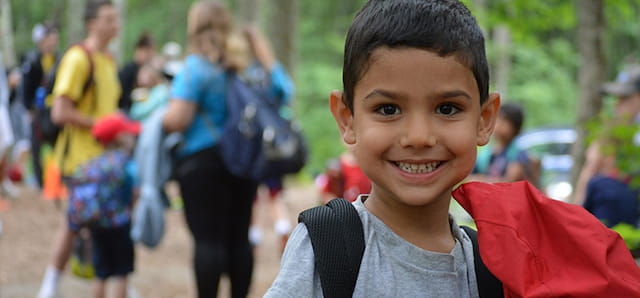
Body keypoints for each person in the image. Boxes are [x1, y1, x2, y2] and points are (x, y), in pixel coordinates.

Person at [266, 1, 640, 297]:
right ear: (347, 118)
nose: (419, 136)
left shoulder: (494, 266)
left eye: (447, 109)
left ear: (485, 118)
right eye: (388, 109)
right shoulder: (329, 245)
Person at [162, 1, 256, 297]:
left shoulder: (195, 68)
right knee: (239, 238)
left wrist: (156, 118)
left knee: (208, 241)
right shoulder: (243, 66)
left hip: (202, 162)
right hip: (243, 159)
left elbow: (178, 119)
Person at [37, 1, 121, 297]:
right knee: (74, 223)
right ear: (92, 24)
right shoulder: (78, 59)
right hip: (81, 161)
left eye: (115, 18)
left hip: (107, 161)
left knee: (111, 224)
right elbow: (60, 111)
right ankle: (51, 285)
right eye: (108, 19)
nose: (115, 24)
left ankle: (120, 282)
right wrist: (100, 124)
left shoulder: (109, 61)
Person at [224, 28, 297, 254]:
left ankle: (253, 234)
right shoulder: (266, 73)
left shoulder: (231, 77)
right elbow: (286, 92)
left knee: (251, 195)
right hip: (270, 142)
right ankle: (282, 226)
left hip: (245, 146)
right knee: (274, 192)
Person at [69, 113, 139, 298]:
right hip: (120, 224)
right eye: (128, 134)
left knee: (100, 273)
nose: (132, 138)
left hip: (96, 225)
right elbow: (134, 191)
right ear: (119, 138)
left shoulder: (92, 165)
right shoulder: (126, 163)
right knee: (122, 273)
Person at [573, 65, 640, 205]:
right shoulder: (610, 135)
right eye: (617, 99)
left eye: (624, 98)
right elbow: (590, 170)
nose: (617, 105)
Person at [19, 22, 59, 189]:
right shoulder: (32, 60)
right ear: (42, 40)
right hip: (37, 109)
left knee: (56, 141)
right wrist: (28, 108)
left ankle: (57, 178)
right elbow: (25, 87)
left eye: (55, 38)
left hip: (54, 108)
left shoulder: (58, 59)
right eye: (50, 38)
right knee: (36, 143)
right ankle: (39, 180)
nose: (53, 42)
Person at [468, 102, 538, 185]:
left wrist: (480, 180)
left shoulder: (517, 154)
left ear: (515, 127)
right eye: (497, 119)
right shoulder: (486, 153)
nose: (499, 124)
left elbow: (509, 182)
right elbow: (470, 176)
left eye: (504, 121)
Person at [118, 31, 155, 113]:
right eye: (147, 52)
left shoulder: (149, 69)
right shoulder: (128, 70)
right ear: (138, 50)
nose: (149, 55)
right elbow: (121, 95)